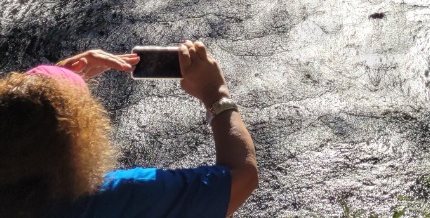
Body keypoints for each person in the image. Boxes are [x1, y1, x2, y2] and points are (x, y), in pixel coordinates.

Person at [0, 41, 258, 218]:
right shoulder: (114, 198)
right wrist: (215, 92)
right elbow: (242, 177)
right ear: (76, 140)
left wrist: (58, 78)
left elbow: (15, 116)